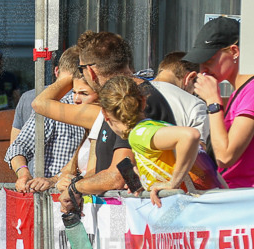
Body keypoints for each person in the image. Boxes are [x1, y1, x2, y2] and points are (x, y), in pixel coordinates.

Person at [59, 30, 181, 214]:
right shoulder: (117, 97)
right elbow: (124, 170)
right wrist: (78, 184)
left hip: (143, 218)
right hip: (125, 216)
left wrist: (76, 188)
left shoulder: (132, 99)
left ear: (90, 71)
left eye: (80, 69)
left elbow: (117, 176)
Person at [99, 74, 222, 207]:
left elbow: (190, 135)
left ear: (104, 114)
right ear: (144, 102)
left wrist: (172, 183)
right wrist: (144, 182)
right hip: (210, 206)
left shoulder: (139, 134)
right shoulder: (159, 126)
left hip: (195, 211)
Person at [185, 16, 254, 188]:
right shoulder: (239, 92)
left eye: (209, 61)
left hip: (244, 201)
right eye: (200, 64)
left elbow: (225, 156)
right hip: (233, 197)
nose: (203, 71)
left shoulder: (251, 91)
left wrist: (213, 102)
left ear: (234, 52)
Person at [5, 47, 86, 188]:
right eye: (74, 91)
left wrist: (23, 173)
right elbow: (18, 146)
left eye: (83, 93)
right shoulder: (45, 104)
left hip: (54, 191)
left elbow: (16, 145)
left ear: (56, 71)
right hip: (48, 193)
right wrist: (25, 174)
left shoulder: (28, 98)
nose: (76, 97)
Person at [151, 52, 209, 142]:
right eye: (195, 89)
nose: (194, 93)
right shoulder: (195, 105)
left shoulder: (132, 93)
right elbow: (199, 151)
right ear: (191, 77)